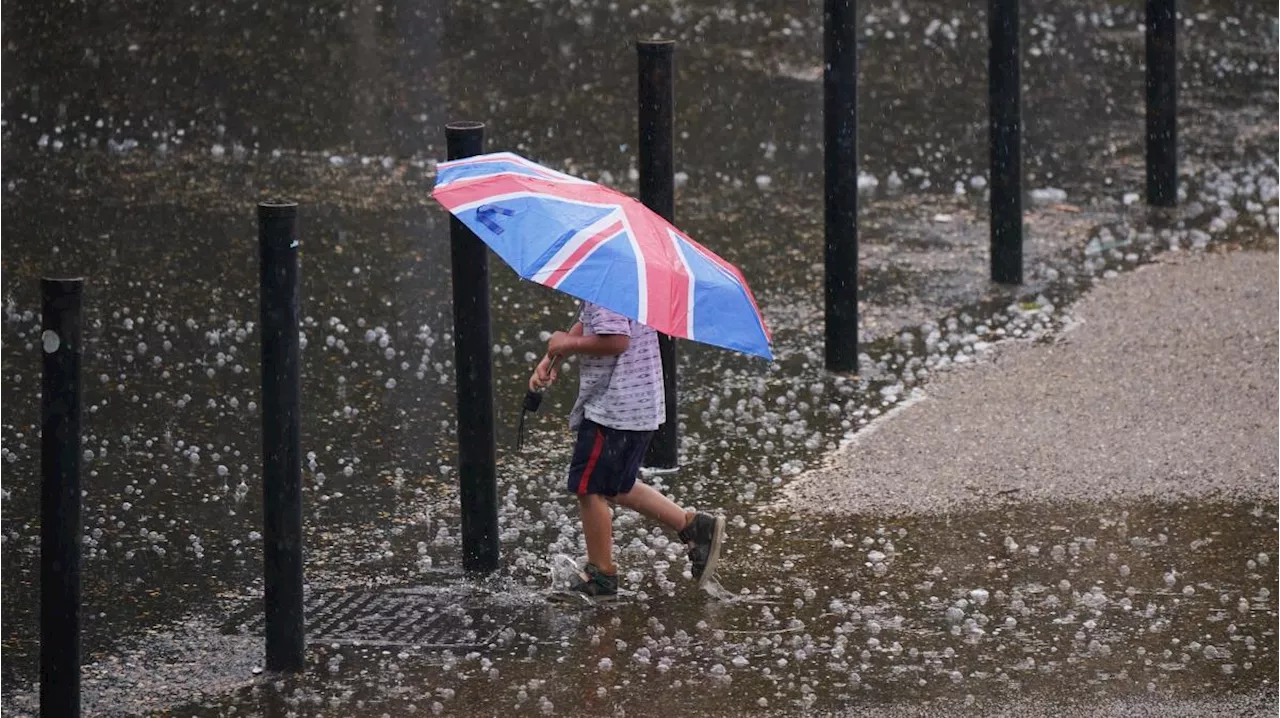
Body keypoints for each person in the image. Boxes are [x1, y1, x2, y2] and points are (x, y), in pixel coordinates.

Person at [529, 301, 725, 598]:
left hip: (614, 409)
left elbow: (617, 341)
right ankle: (693, 526)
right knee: (617, 484)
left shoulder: (609, 282)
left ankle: (601, 574)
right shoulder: (619, 281)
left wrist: (567, 342)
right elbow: (590, 322)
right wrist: (554, 355)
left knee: (589, 487)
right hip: (633, 406)